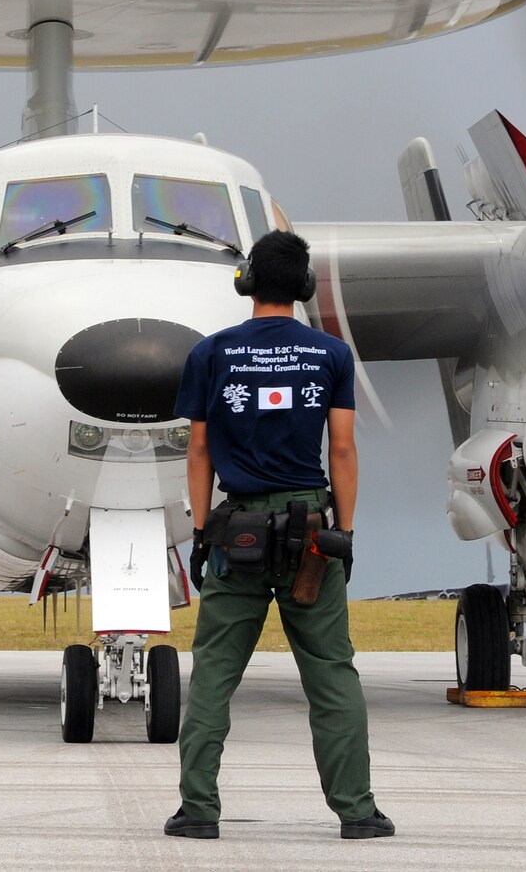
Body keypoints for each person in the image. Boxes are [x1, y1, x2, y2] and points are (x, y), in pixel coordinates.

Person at [164, 230, 391, 841]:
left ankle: (198, 812)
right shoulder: (331, 355)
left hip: (237, 531)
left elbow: (200, 449)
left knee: (214, 672)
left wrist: (200, 526)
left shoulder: (210, 355)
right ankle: (357, 811)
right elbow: (341, 448)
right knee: (331, 672)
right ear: (303, 288)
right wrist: (344, 529)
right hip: (312, 534)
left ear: (248, 283)